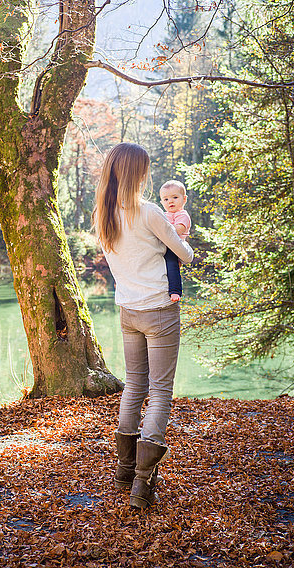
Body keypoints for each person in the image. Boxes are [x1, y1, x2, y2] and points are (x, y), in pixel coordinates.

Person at [92, 142, 194, 509]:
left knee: (134, 385)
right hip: (159, 311)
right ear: (139, 173)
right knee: (161, 391)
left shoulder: (103, 213)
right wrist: (183, 242)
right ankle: (142, 482)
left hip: (128, 311)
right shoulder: (150, 212)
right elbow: (184, 253)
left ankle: (123, 470)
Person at [159, 180, 191, 302]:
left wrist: (161, 230)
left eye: (175, 197)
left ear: (184, 199)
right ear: (162, 202)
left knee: (172, 265)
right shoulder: (163, 214)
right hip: (164, 245)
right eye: (166, 199)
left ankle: (175, 291)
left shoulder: (182, 215)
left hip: (175, 246)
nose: (170, 201)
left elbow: (178, 230)